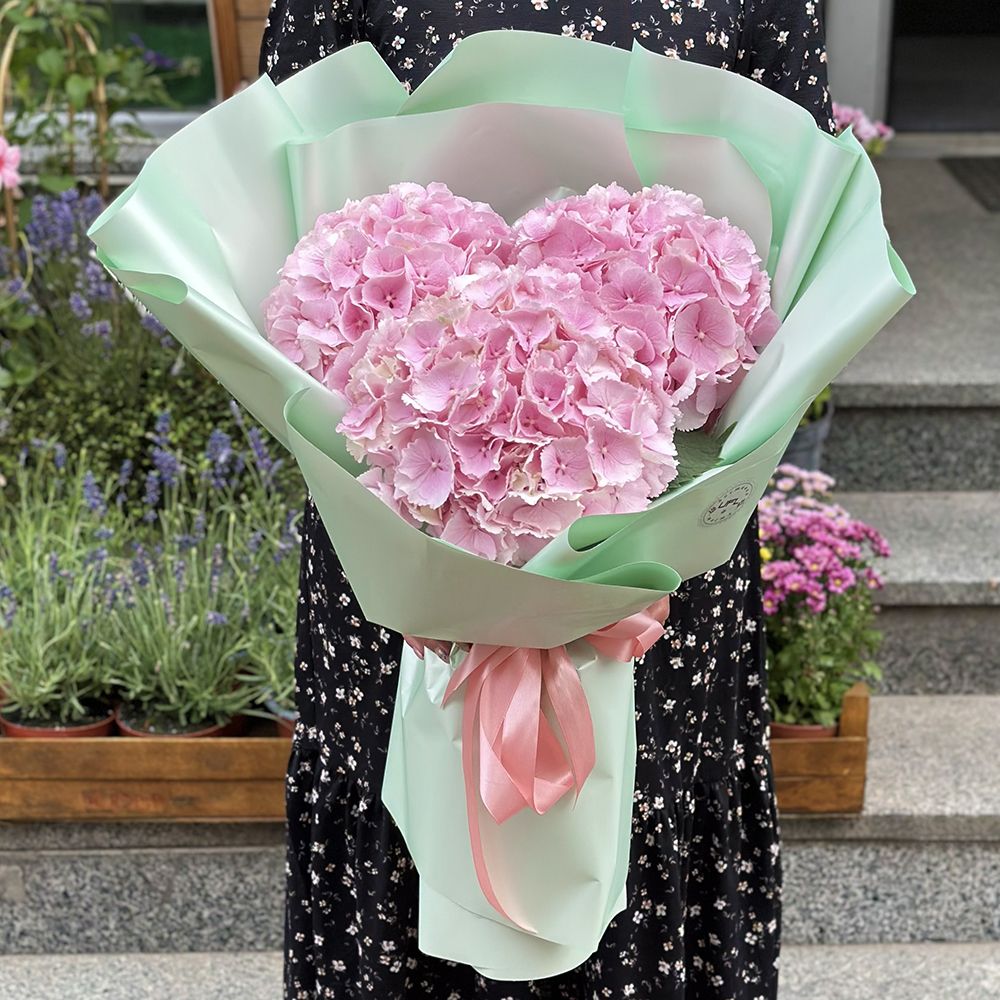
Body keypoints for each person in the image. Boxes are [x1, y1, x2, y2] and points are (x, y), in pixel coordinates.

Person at [258, 4, 833, 998]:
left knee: (641, 820)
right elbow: (286, 180)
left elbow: (798, 239)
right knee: (406, 836)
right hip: (405, 528)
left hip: (655, 554)